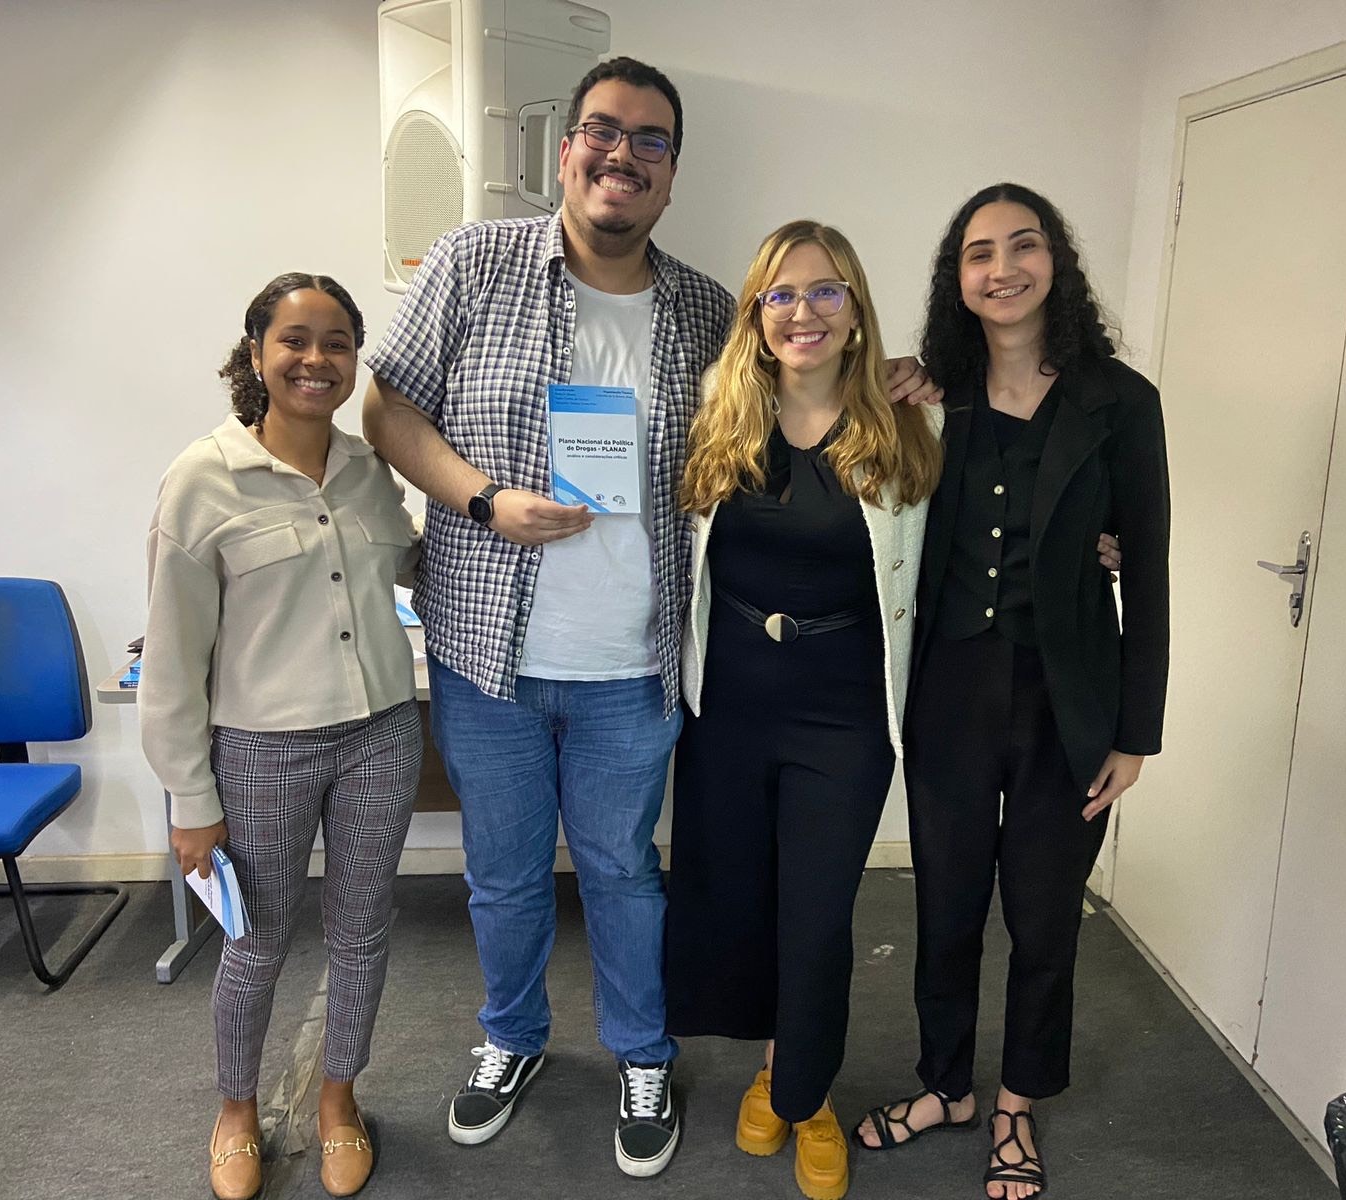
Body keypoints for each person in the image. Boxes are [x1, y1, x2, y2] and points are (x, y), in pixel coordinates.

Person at [361, 57, 929, 1178]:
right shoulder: (475, 262)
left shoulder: (709, 310)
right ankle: (511, 1038)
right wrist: (481, 498)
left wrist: (903, 375)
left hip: (635, 663)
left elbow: (801, 393)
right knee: (504, 876)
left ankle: (641, 1054)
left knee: (624, 874)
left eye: (650, 140)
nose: (622, 154)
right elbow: (386, 406)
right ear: (566, 149)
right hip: (487, 651)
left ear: (671, 172)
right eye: (603, 131)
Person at [856, 183, 1170, 1200]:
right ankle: (944, 1086)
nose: (1003, 268)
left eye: (1023, 245)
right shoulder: (926, 397)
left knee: (1043, 920)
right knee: (945, 906)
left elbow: (1148, 570)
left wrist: (1136, 734)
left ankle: (1015, 1105)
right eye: (980, 252)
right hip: (948, 695)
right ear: (958, 279)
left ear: (1055, 262)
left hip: (1067, 706)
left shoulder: (1121, 402)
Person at [665, 221, 943, 1200]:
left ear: (856, 310)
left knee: (818, 915)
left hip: (843, 713)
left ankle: (808, 1094)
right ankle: (775, 1069)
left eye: (826, 291)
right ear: (756, 314)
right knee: (744, 898)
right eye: (780, 294)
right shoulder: (719, 417)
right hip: (730, 702)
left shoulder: (906, 430)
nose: (802, 312)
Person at [140, 273, 422, 1200]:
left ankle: (339, 1099)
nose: (316, 359)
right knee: (255, 942)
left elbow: (415, 564)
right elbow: (173, 660)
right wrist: (191, 800)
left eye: (337, 342)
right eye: (295, 340)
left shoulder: (368, 468)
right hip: (261, 749)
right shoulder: (202, 479)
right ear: (257, 352)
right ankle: (235, 1110)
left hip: (381, 734)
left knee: (362, 932)